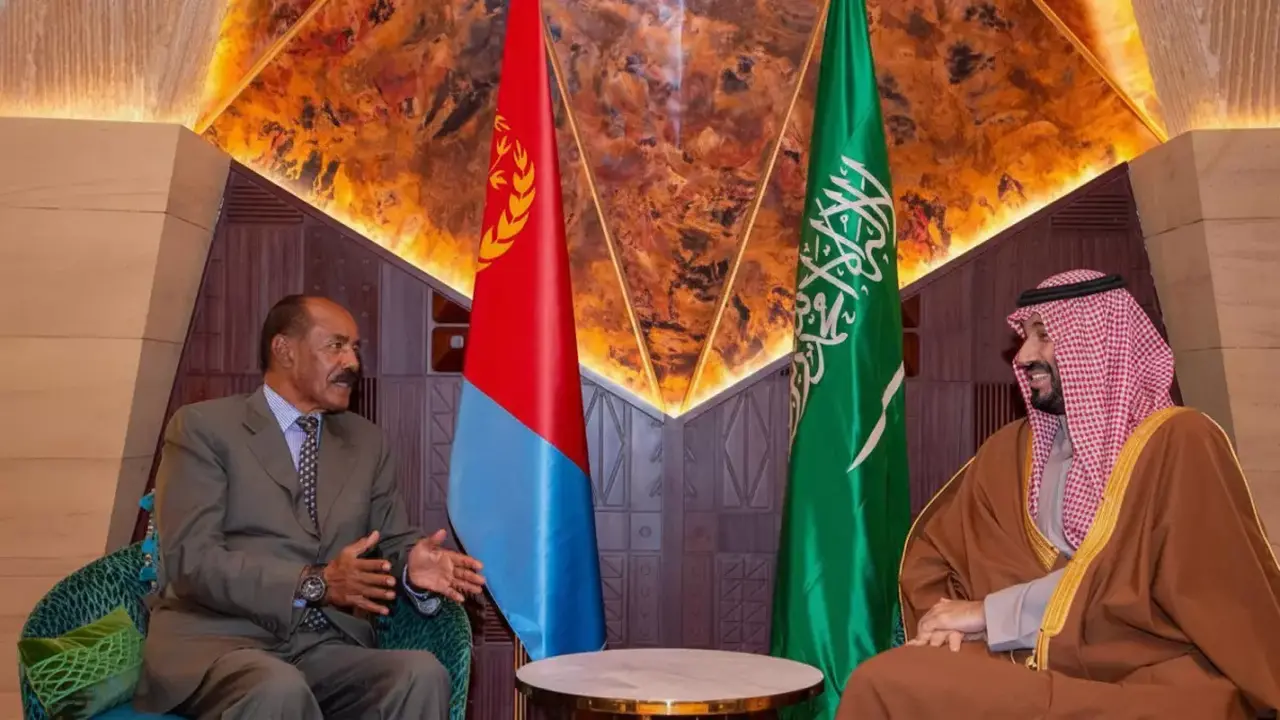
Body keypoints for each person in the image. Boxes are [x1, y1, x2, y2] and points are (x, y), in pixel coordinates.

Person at [837, 269, 1280, 719]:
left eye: (1044, 335)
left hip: (1144, 668)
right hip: (1024, 656)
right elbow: (939, 554)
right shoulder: (1011, 450)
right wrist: (950, 622)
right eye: (1026, 336)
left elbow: (1143, 586)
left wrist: (988, 614)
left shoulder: (1180, 443)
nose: (1024, 355)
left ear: (1097, 344)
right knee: (888, 680)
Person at [134, 294, 486, 719]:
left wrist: (412, 565)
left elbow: (390, 540)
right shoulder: (204, 428)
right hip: (220, 643)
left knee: (420, 674)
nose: (352, 362)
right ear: (284, 350)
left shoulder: (365, 442)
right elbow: (192, 561)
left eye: (354, 348)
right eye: (336, 346)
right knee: (278, 687)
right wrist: (313, 583)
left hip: (323, 647)